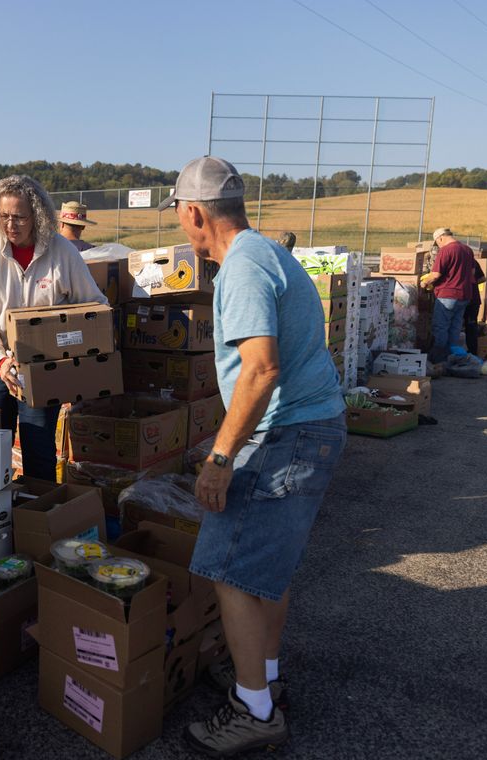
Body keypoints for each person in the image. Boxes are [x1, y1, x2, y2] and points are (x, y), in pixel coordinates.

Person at [158, 157, 346, 755]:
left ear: (194, 213)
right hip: (314, 426)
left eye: (180, 219)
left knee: (226, 565)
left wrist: (219, 457)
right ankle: (262, 679)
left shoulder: (240, 270)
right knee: (266, 568)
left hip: (286, 434)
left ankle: (254, 710)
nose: (182, 230)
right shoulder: (268, 252)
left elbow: (261, 370)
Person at [0, 175, 107, 481]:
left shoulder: (62, 252)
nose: (11, 225)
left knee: (40, 456)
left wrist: (73, 350)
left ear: (37, 216)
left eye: (19, 217)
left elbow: (95, 306)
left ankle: (35, 521)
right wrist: (1, 360)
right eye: (4, 216)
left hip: (43, 375)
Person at [421, 227, 479, 363]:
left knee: (440, 327)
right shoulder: (467, 250)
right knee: (455, 328)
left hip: (448, 294)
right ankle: (451, 359)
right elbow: (471, 273)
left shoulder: (446, 250)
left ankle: (438, 360)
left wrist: (424, 283)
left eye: (437, 242)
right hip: (464, 295)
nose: (438, 245)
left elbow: (436, 275)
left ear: (440, 238)